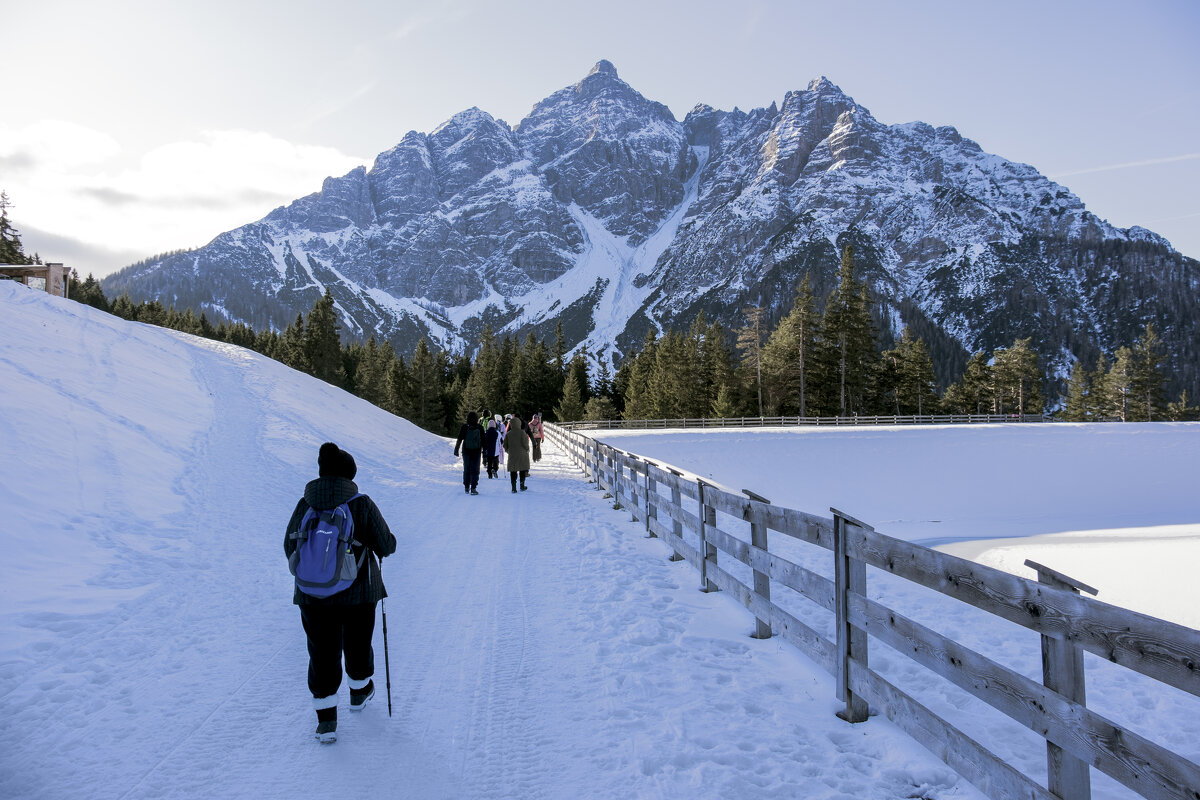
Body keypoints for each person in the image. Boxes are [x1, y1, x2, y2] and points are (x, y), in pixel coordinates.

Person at [284, 442, 397, 743]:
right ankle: (359, 694)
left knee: (321, 652)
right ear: (349, 475)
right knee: (358, 643)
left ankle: (326, 722)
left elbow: (289, 546)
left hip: (311, 594)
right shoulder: (361, 503)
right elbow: (386, 545)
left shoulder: (305, 504)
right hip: (358, 593)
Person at [453, 411, 485, 494]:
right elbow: (484, 440)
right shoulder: (480, 427)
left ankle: (466, 487)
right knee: (475, 469)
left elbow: (460, 438)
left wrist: (456, 449)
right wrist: (485, 451)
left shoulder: (465, 427)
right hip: (476, 451)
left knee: (466, 468)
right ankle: (473, 488)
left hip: (466, 450)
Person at [504, 413, 532, 492]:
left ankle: (513, 488)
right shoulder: (522, 433)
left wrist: (508, 451)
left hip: (512, 455)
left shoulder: (508, 434)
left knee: (513, 471)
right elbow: (525, 444)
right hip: (522, 455)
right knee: (522, 470)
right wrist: (527, 449)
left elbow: (505, 445)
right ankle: (522, 486)